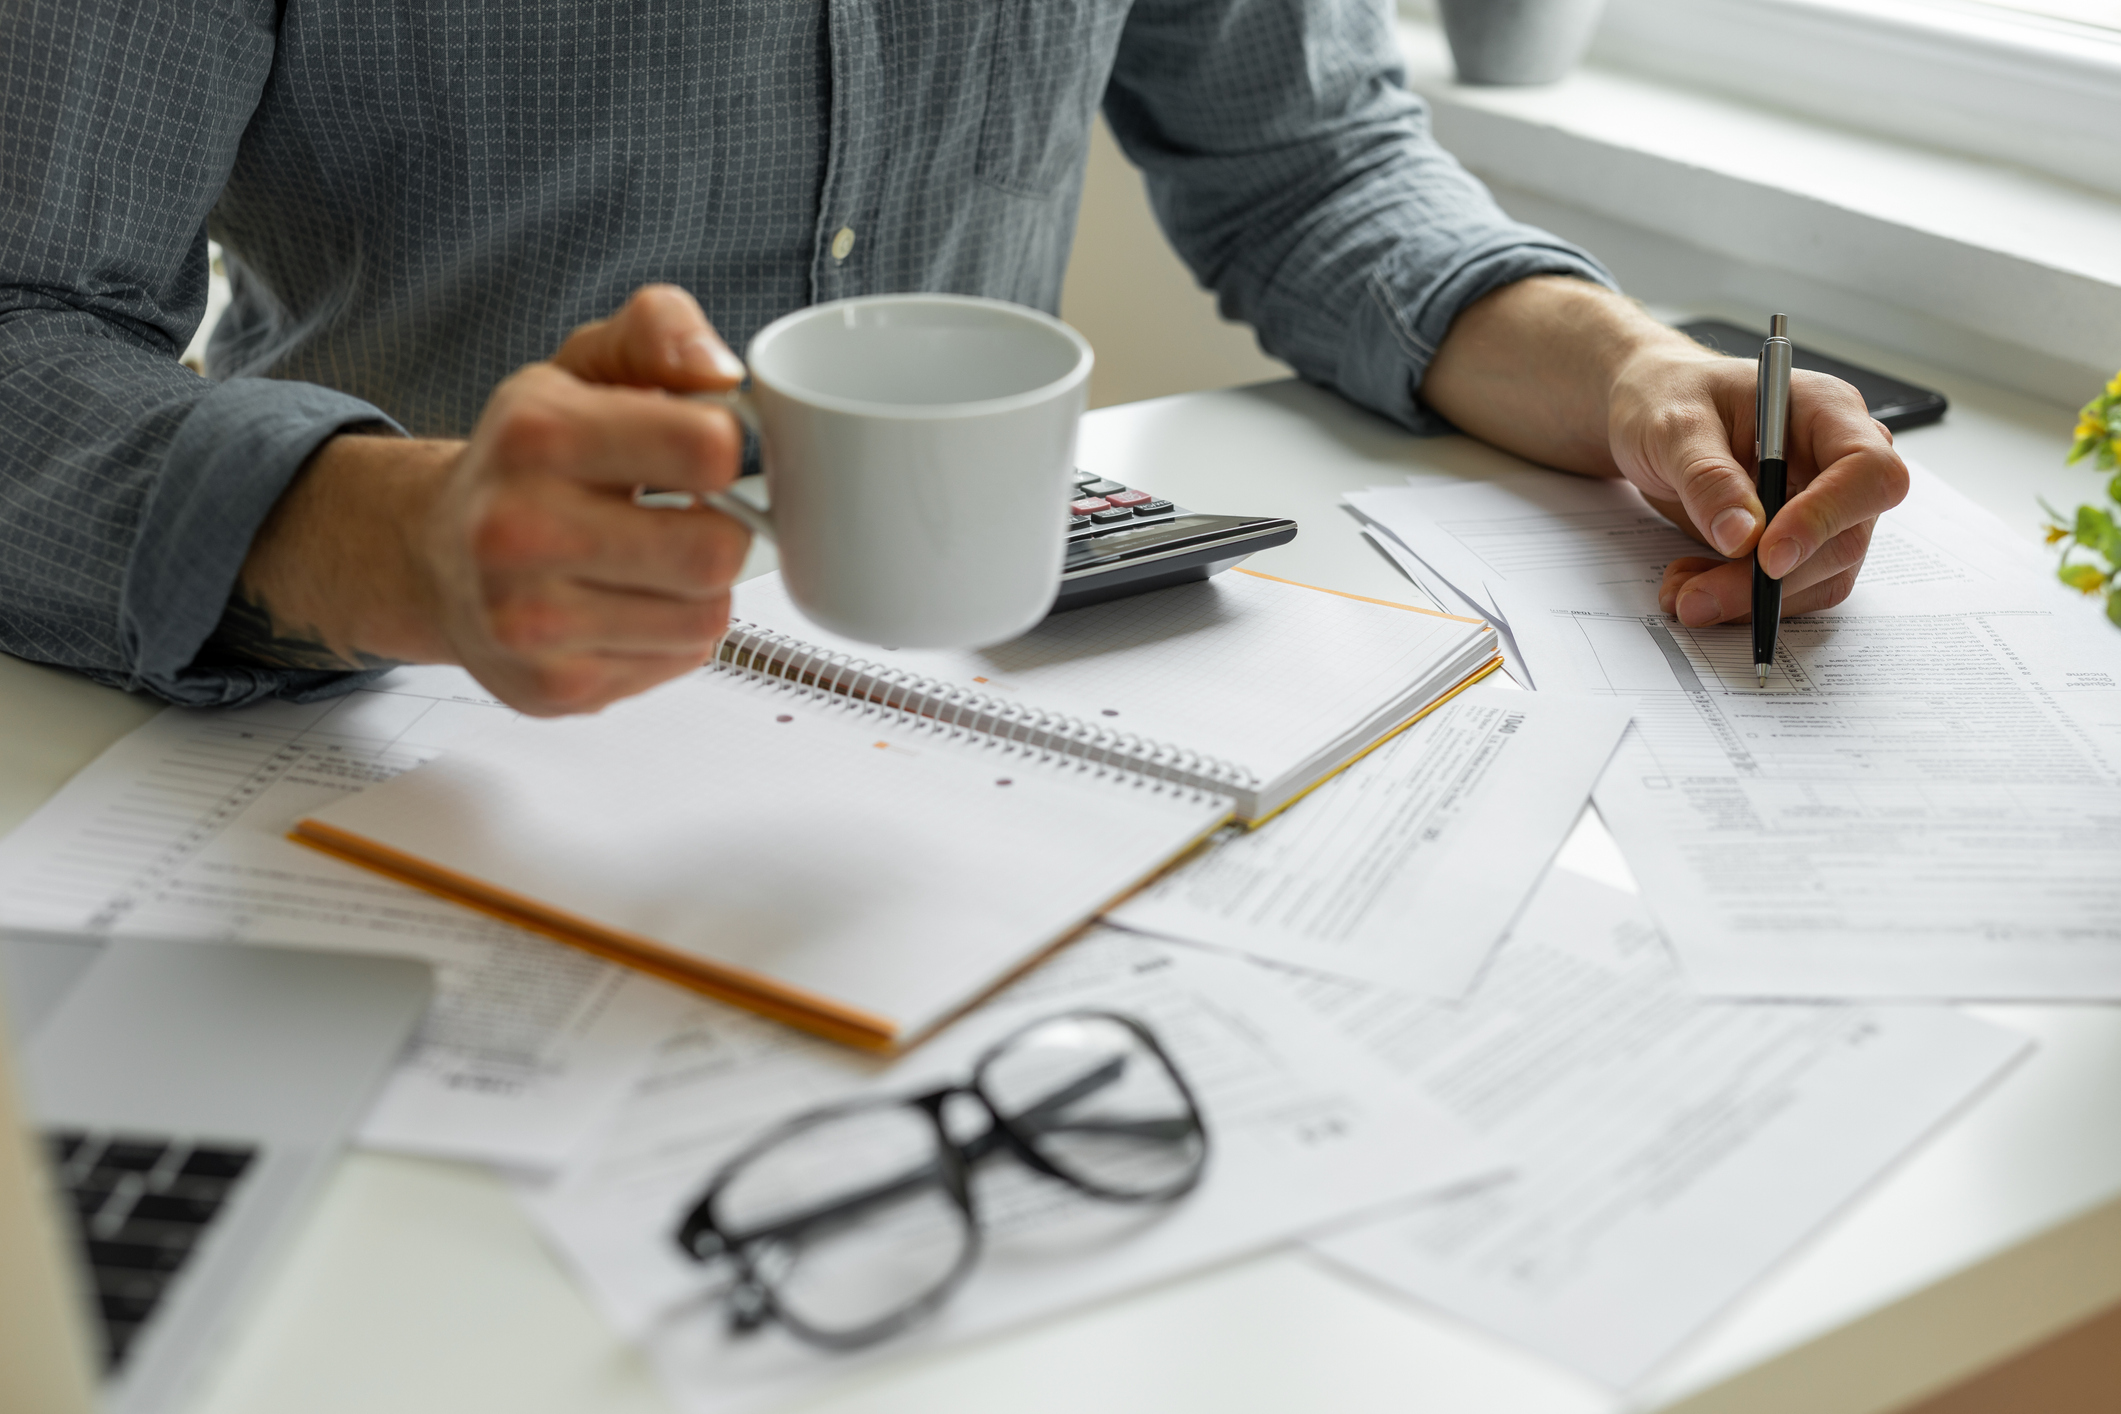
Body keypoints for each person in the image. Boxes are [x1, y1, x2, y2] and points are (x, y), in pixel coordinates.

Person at [0, 0, 1904, 718]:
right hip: (388, 735)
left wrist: (1628, 370)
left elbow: (1305, 156)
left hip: (1007, 750)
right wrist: (399, 537)